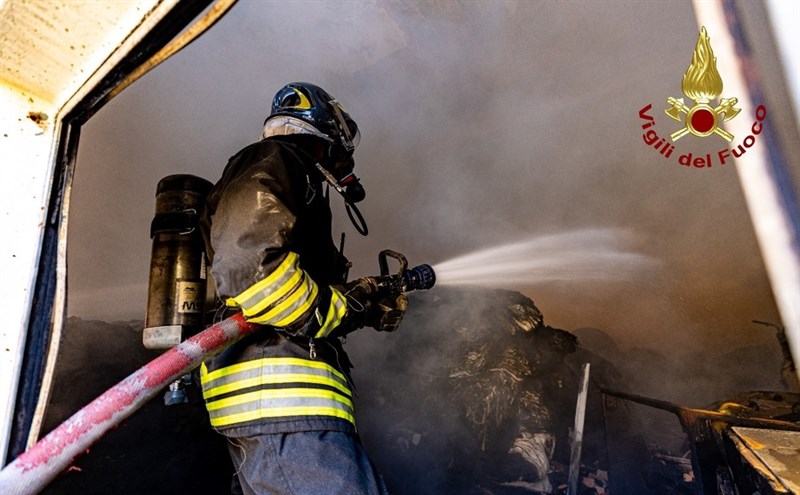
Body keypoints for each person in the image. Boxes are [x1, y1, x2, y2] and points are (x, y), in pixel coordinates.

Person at [199, 82, 399, 495]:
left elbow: (290, 289)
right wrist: (330, 308)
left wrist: (361, 306)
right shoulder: (276, 158)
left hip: (275, 410)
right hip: (282, 405)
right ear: (327, 131)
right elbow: (250, 266)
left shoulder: (291, 175)